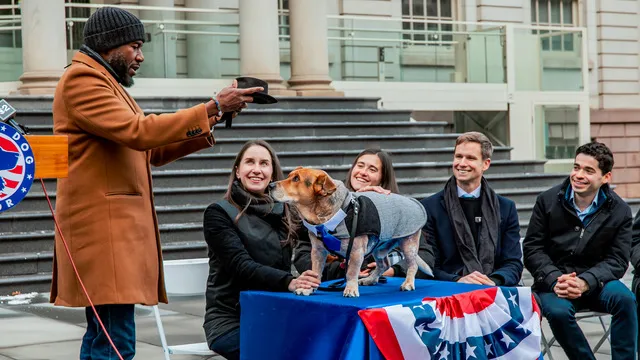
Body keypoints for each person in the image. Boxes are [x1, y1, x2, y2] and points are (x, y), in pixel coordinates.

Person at [50, 7, 262, 360]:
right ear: (110, 44)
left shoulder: (104, 81)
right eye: (134, 46)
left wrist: (214, 116)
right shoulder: (82, 80)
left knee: (107, 338)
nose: (141, 56)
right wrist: (210, 105)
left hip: (111, 237)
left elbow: (147, 150)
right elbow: (140, 132)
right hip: (104, 237)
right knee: (116, 343)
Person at [203, 140, 320, 360]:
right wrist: (289, 281)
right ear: (238, 171)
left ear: (272, 173)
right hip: (232, 321)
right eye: (250, 162)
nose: (257, 169)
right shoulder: (218, 212)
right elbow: (241, 265)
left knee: (326, 341)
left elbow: (320, 237)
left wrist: (365, 199)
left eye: (264, 163)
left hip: (278, 313)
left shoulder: (288, 211)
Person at [524, 141, 637, 359]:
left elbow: (618, 260)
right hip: (554, 283)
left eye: (588, 170)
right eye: (576, 167)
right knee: (558, 312)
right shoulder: (546, 200)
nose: (578, 175)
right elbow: (532, 249)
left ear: (606, 177)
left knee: (626, 300)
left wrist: (585, 282)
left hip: (597, 283)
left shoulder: (620, 210)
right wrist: (556, 279)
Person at [420, 132, 523, 286]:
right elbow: (426, 265)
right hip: (449, 291)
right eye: (458, 156)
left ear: (486, 164)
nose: (462, 163)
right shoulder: (429, 207)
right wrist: (458, 281)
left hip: (494, 291)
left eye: (470, 158)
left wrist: (492, 281)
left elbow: (513, 263)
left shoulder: (506, 208)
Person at [294, 148, 412, 280]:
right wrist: (341, 271)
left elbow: (424, 253)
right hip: (338, 290)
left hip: (384, 288)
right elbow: (302, 256)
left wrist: (393, 269)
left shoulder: (397, 208)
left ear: (383, 178)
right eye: (360, 166)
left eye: (372, 170)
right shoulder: (321, 207)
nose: (363, 172)